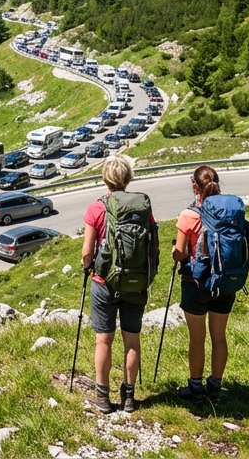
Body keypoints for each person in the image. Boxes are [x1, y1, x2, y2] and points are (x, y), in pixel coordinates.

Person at [81, 154, 157, 413]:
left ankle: (102, 397)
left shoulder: (96, 208)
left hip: (104, 282)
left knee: (104, 340)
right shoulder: (142, 208)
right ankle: (129, 397)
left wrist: (87, 266)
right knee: (131, 339)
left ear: (105, 179)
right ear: (128, 179)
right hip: (136, 282)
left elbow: (87, 253)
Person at [171, 165, 236, 400]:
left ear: (194, 186)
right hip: (224, 282)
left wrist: (174, 252)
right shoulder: (229, 211)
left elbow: (180, 252)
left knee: (197, 339)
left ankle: (195, 386)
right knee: (219, 337)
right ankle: (215, 386)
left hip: (195, 283)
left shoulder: (188, 216)